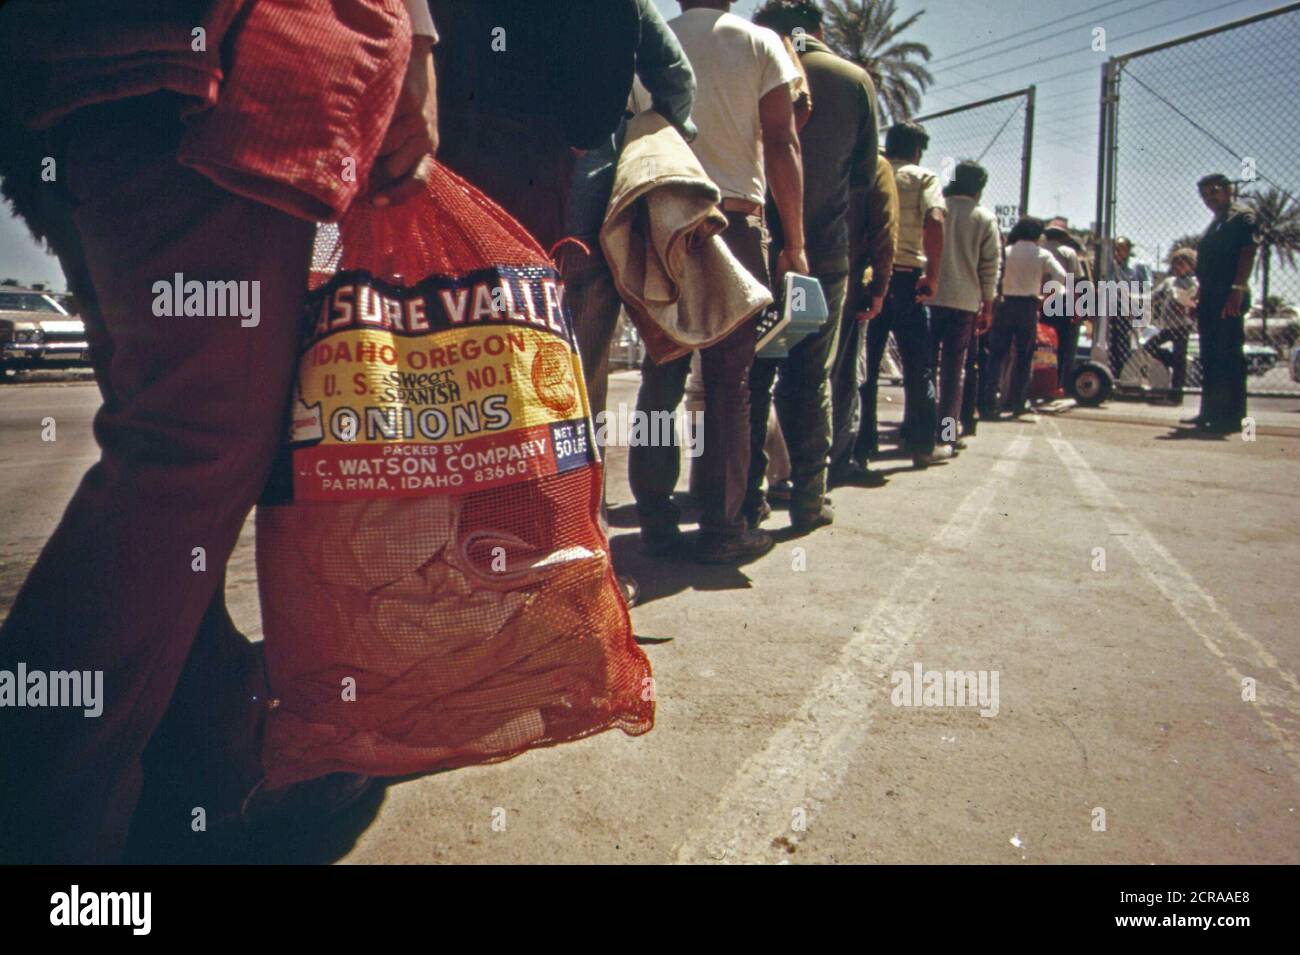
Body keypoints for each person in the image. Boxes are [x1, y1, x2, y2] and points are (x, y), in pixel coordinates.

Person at [0, 0, 440, 863]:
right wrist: (417, 33)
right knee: (192, 451)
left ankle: (197, 762)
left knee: (177, 450)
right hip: (204, 69)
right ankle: (40, 815)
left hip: (83, 74)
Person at [628, 0, 806, 564]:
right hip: (737, 222)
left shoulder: (651, 39)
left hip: (666, 220)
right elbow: (781, 141)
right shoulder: (760, 43)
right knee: (733, 386)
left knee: (662, 377)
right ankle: (724, 527)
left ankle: (655, 519)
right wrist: (795, 242)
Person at [745, 0, 877, 531]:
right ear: (820, 27)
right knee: (812, 377)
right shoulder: (853, 80)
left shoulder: (753, 65)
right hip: (824, 253)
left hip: (753, 250)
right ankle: (808, 497)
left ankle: (744, 499)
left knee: (752, 375)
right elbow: (864, 180)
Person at [855, 121, 946, 469]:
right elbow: (935, 219)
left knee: (865, 367)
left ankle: (861, 447)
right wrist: (933, 275)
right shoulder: (924, 178)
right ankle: (923, 445)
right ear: (918, 150)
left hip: (868, 276)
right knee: (918, 368)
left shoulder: (869, 169)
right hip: (908, 279)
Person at [829, 152, 897, 485]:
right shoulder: (874, 165)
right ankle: (834, 463)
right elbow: (884, 227)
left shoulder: (802, 144)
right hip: (846, 280)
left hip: (795, 273)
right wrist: (880, 286)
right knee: (842, 378)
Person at [927, 160, 999, 452]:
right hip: (965, 302)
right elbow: (990, 265)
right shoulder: (983, 217)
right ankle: (946, 433)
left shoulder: (936, 207)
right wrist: (989, 304)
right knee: (954, 372)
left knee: (925, 367)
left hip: (930, 297)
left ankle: (920, 426)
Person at [1188, 172, 1259, 434]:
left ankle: (1232, 416)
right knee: (1210, 355)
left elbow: (1247, 251)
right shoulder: (1216, 222)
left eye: (1213, 192)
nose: (1209, 198)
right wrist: (1200, 294)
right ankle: (1210, 411)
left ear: (1228, 190)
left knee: (1228, 354)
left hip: (1229, 294)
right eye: (1205, 195)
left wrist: (1237, 289)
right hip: (1210, 296)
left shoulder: (1240, 216)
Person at [981, 217, 1066, 419]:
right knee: (1024, 357)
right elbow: (1061, 275)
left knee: (996, 356)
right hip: (1028, 305)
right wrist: (1046, 297)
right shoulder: (1042, 254)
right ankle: (1018, 403)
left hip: (1004, 304)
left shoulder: (1007, 251)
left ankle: (989, 403)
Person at [1144, 248, 1198, 404]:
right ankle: (1172, 361)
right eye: (1176, 264)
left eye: (1182, 263)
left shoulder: (1193, 282)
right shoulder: (1169, 282)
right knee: (1150, 345)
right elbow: (1155, 296)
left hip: (1182, 325)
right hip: (1168, 326)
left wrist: (1187, 305)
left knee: (1180, 357)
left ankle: (1175, 396)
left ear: (1190, 265)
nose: (1179, 267)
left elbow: (1195, 302)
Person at [1041, 221, 1087, 394]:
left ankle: (1041, 382)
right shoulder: (1069, 252)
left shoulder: (1042, 249)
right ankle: (1061, 384)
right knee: (1065, 344)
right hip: (1063, 301)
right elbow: (1075, 282)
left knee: (1043, 342)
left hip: (1042, 299)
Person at [1104, 235, 1150, 380]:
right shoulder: (1109, 266)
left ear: (1128, 250)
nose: (1118, 252)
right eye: (1116, 248)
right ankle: (1112, 374)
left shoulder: (1136, 268)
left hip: (1128, 306)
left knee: (1125, 342)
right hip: (1111, 306)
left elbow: (1145, 288)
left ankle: (1125, 374)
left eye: (1122, 248)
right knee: (1111, 343)